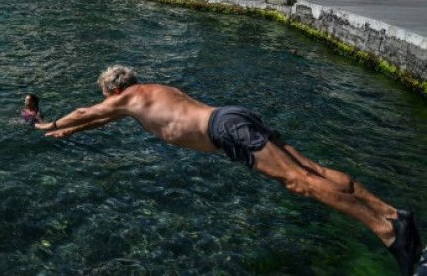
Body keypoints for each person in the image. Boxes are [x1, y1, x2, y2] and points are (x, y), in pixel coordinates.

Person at [36, 65, 424, 276]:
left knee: (299, 183)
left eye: (106, 97)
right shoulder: (149, 94)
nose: (105, 104)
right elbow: (99, 121)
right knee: (311, 169)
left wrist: (49, 124)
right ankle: (394, 212)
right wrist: (71, 132)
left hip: (222, 130)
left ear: (113, 91)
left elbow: (89, 112)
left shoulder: (128, 98)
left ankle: (389, 233)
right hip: (231, 116)